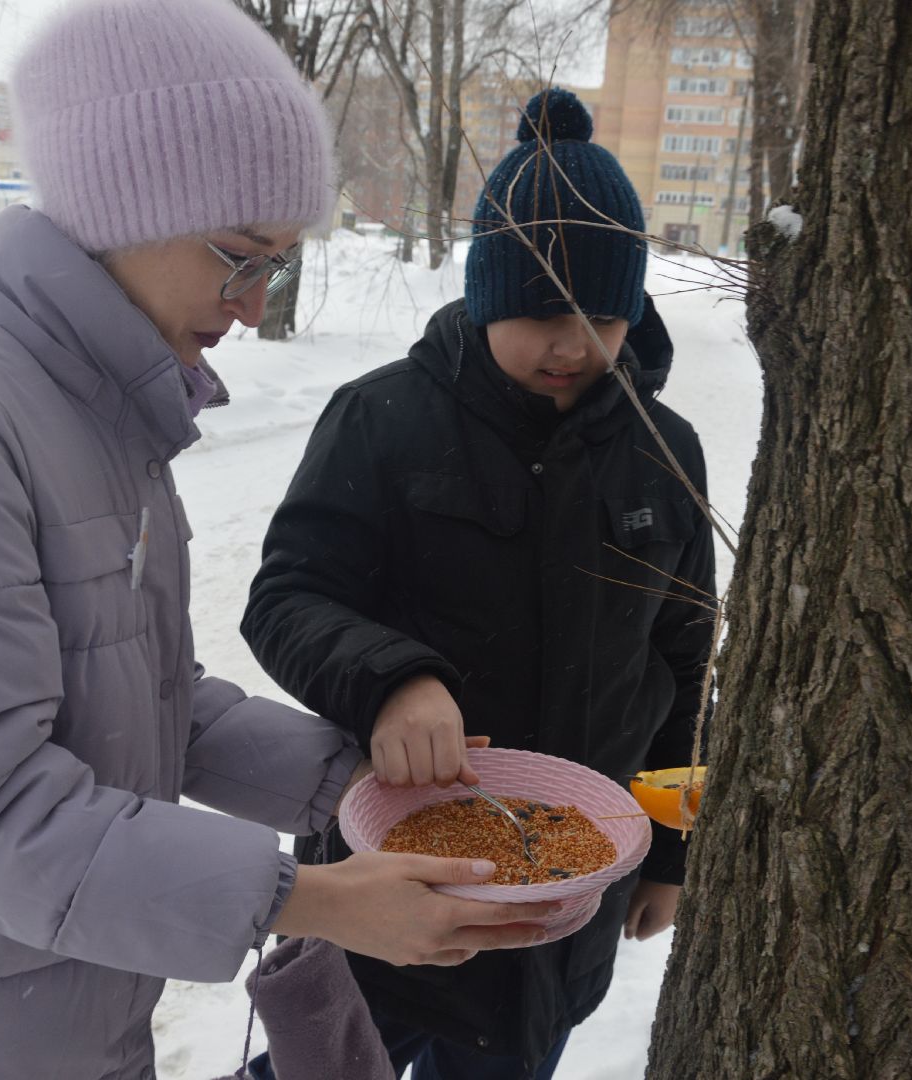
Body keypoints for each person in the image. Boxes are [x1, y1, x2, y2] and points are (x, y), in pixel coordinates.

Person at [0, 3, 556, 1078]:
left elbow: (146, 706)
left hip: (39, 1012)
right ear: (123, 204)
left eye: (275, 268)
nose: (250, 306)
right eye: (239, 259)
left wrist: (359, 787)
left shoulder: (96, 414)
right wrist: (314, 902)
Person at [241, 87, 716, 1079]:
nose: (572, 345)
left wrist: (666, 852)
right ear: (489, 293)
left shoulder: (663, 456)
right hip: (389, 890)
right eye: (542, 313)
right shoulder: (382, 422)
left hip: (555, 917)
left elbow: (677, 659)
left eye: (601, 315)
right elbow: (286, 597)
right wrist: (389, 678)